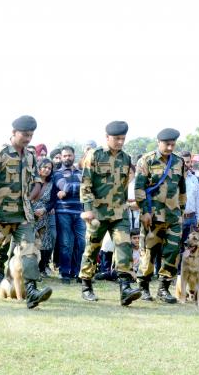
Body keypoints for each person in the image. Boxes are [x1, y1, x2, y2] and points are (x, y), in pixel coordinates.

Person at [0, 116, 52, 308]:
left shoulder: (30, 155)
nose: (28, 138)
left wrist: (31, 196)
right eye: (25, 135)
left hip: (23, 216)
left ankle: (32, 291)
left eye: (31, 135)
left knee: (29, 251)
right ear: (13, 133)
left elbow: (36, 180)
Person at [78, 121, 141, 306]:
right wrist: (88, 209)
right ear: (107, 137)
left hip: (119, 212)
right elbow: (86, 183)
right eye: (117, 139)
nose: (120, 142)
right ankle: (86, 286)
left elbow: (124, 185)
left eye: (123, 139)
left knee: (124, 246)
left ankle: (125, 288)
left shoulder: (126, 158)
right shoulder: (95, 155)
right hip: (97, 213)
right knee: (92, 249)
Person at [135, 128, 186, 303]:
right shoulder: (146, 160)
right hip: (152, 216)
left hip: (173, 217)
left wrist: (182, 211)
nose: (170, 147)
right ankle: (143, 288)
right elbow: (139, 189)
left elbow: (182, 189)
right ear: (159, 142)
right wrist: (144, 212)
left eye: (173, 144)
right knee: (149, 252)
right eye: (167, 144)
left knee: (172, 253)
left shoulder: (179, 162)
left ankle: (163, 289)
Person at [52, 145, 85, 284]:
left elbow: (88, 187)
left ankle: (77, 272)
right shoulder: (57, 173)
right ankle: (65, 272)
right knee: (66, 243)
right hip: (63, 212)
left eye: (69, 155)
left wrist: (70, 189)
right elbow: (63, 186)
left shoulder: (81, 172)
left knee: (81, 243)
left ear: (73, 156)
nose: (67, 158)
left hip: (80, 212)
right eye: (64, 156)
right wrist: (80, 187)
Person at [32, 158, 55, 277]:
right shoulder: (31, 181)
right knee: (28, 243)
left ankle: (41, 269)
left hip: (43, 216)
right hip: (29, 215)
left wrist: (44, 209)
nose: (47, 170)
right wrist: (32, 210)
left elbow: (52, 201)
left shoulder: (52, 184)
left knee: (44, 244)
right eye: (44, 167)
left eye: (49, 168)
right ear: (39, 167)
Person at [180, 150, 199, 251]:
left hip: (192, 219)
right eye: (184, 162)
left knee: (190, 249)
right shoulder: (174, 179)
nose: (186, 164)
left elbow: (197, 199)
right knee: (176, 248)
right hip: (178, 219)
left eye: (188, 162)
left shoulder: (194, 179)